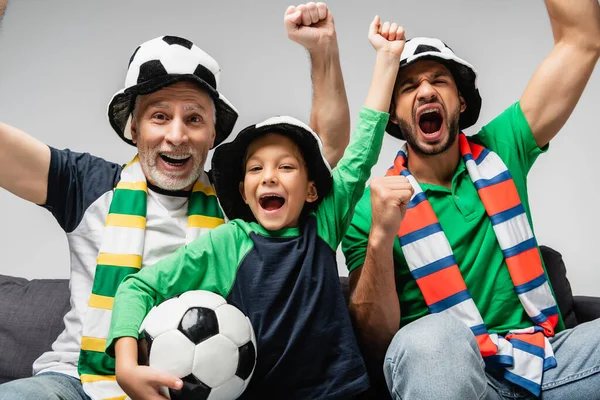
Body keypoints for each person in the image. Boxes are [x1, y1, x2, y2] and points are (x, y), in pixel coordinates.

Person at [0, 3, 350, 400]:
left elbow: (324, 150)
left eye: (194, 118)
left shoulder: (239, 200)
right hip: (79, 382)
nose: (177, 135)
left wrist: (323, 52)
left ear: (213, 133)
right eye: (160, 116)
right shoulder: (86, 184)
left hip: (202, 389)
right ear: (133, 127)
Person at [105, 16, 405, 400]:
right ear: (244, 193)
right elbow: (136, 287)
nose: (268, 177)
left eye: (286, 167)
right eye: (255, 169)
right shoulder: (229, 243)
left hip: (342, 393)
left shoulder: (323, 224)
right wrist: (127, 367)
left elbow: (362, 151)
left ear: (312, 190)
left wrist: (388, 60)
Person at [342, 1, 600, 399]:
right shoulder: (369, 207)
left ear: (461, 102)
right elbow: (375, 341)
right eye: (409, 86)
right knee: (434, 336)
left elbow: (580, 41)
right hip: (452, 374)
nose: (426, 90)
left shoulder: (502, 148)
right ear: (394, 117)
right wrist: (380, 236)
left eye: (438, 80)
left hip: (547, 362)